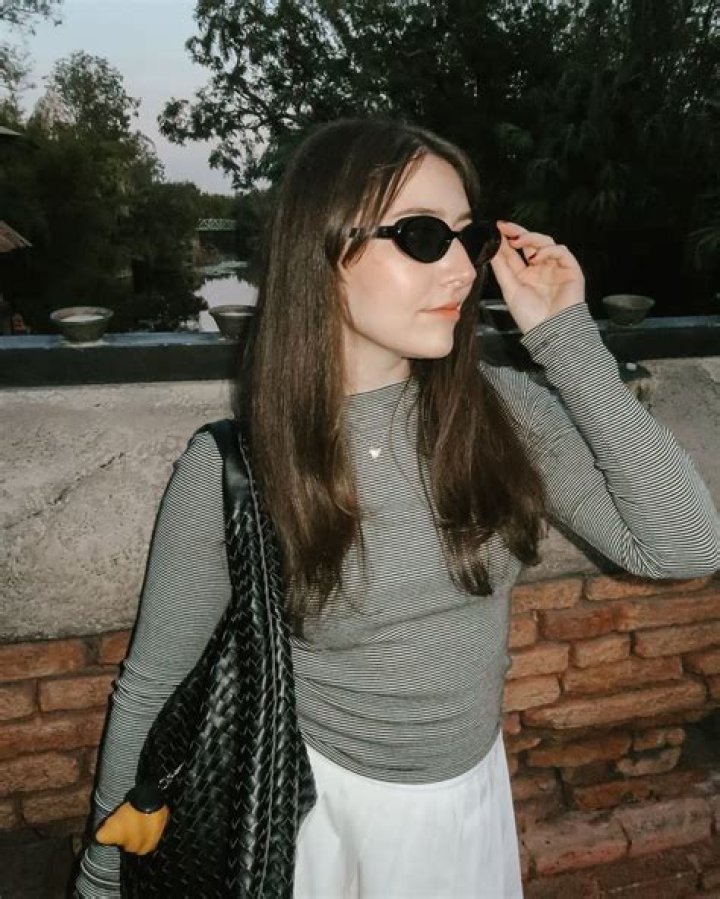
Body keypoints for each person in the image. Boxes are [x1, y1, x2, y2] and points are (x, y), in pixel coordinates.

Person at [75, 118, 719, 898]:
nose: (462, 269)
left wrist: (566, 338)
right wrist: (102, 871)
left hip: (471, 798)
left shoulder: (499, 412)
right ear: (324, 249)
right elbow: (151, 684)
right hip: (317, 817)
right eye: (422, 236)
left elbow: (684, 544)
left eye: (468, 237)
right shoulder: (234, 468)